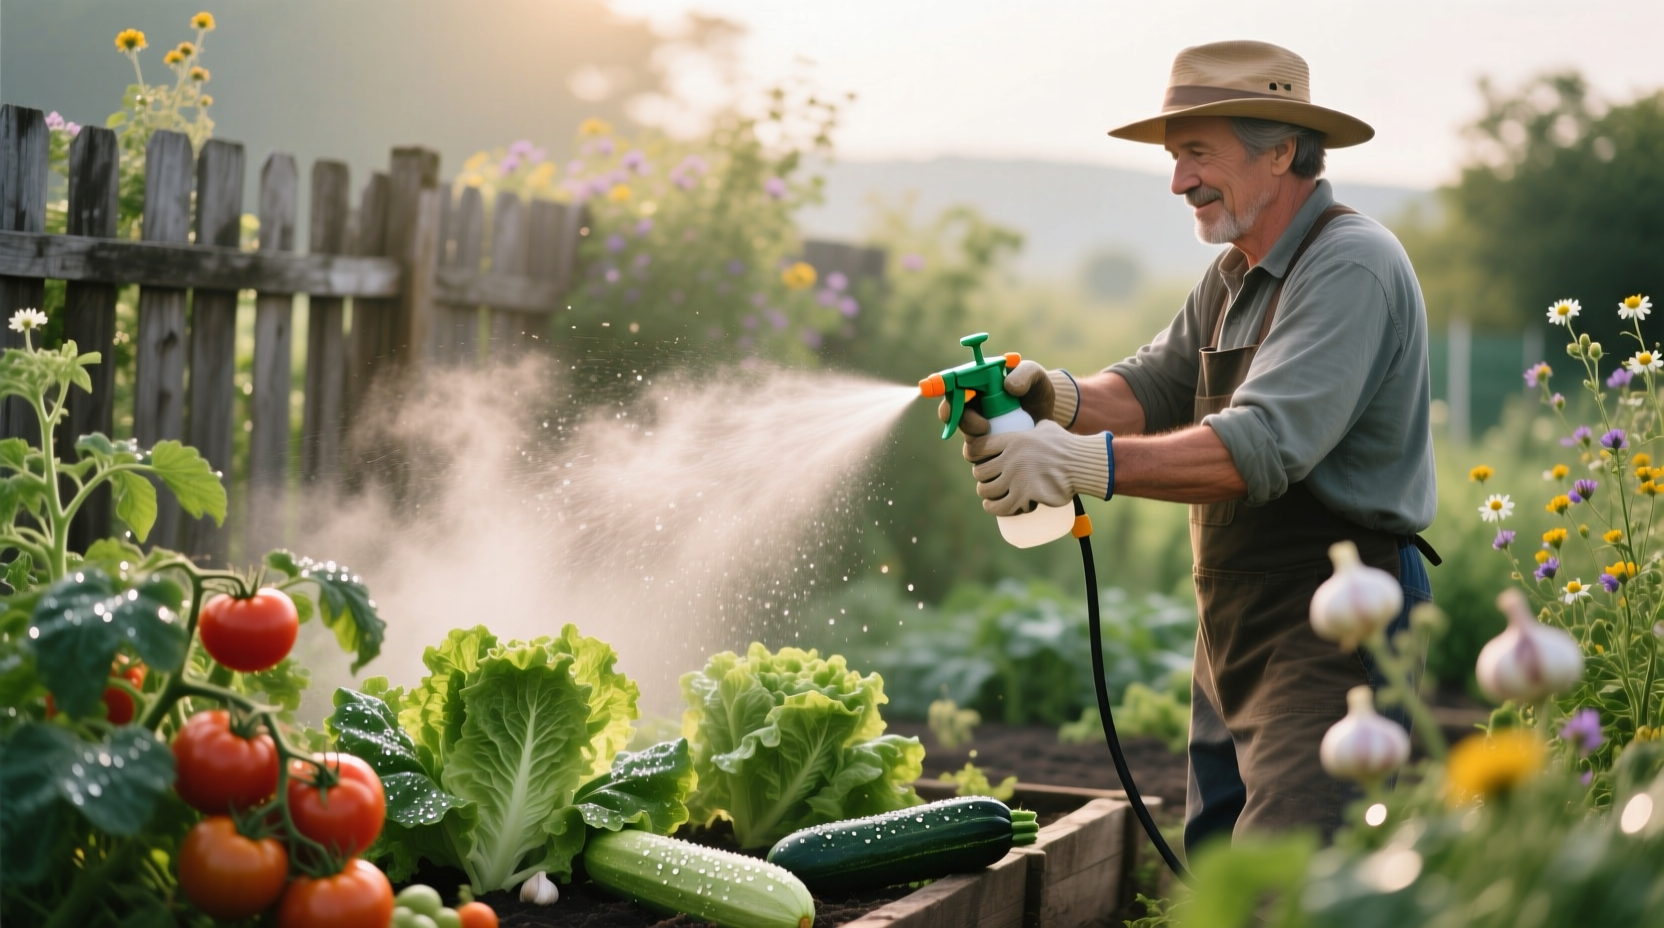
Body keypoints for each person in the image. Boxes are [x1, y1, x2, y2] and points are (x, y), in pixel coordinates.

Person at [947, 40, 1437, 852]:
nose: (1180, 182)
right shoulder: (1236, 272)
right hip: (1236, 619)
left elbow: (1260, 447)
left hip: (1338, 620)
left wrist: (1074, 464)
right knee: (1216, 863)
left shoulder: (1352, 265)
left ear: (1281, 150)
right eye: (1176, 160)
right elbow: (1150, 388)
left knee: (1288, 885)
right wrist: (1051, 398)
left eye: (1198, 155)